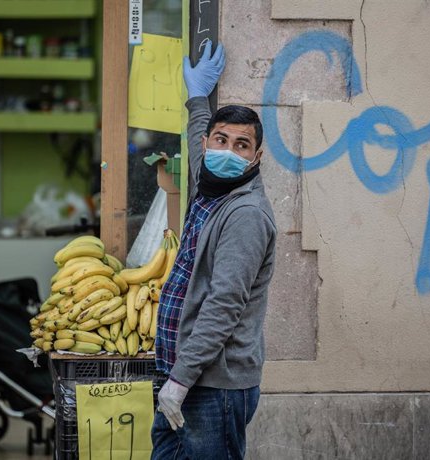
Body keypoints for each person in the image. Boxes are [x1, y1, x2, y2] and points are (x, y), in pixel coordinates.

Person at [152, 40, 277, 460]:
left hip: (210, 387)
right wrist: (196, 98)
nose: (228, 151)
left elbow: (224, 303)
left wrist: (181, 380)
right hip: (180, 374)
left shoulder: (245, 215)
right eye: (220, 141)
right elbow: (199, 135)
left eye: (241, 146)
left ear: (257, 156)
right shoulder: (210, 187)